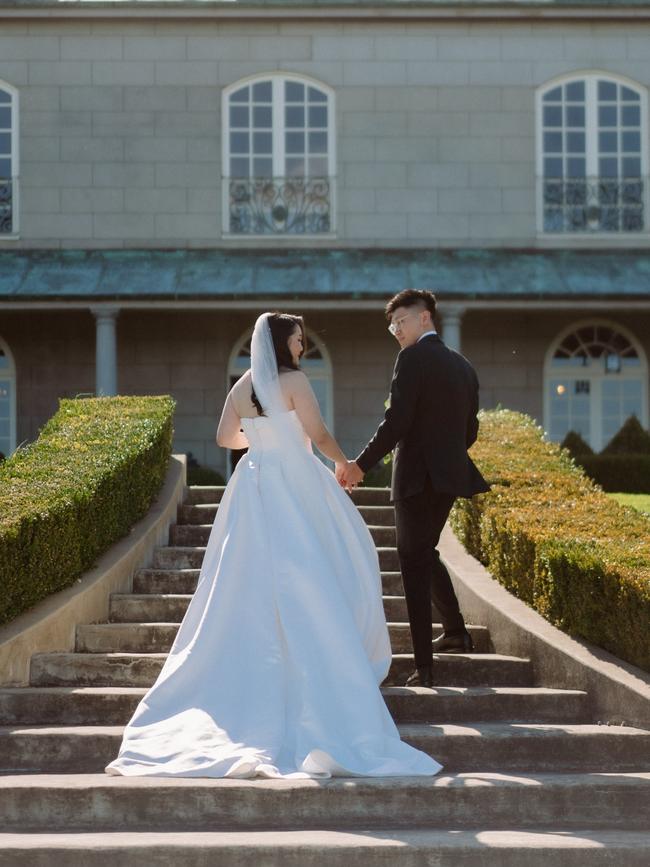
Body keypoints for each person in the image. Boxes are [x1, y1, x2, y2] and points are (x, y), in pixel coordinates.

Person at [104, 311, 442, 780]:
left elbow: (226, 437)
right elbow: (318, 433)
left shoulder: (242, 386)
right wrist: (345, 464)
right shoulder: (294, 381)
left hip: (254, 480)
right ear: (284, 344)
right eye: (299, 340)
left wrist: (259, 436)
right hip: (295, 478)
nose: (302, 347)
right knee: (319, 566)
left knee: (248, 577)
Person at [338, 290, 490, 689]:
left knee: (411, 561)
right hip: (449, 477)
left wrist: (359, 466)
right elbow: (469, 431)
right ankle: (455, 631)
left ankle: (424, 667)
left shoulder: (412, 358)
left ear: (425, 318)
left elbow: (397, 422)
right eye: (392, 325)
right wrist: (444, 455)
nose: (396, 331)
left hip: (416, 480)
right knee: (424, 552)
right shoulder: (463, 365)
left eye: (401, 322)